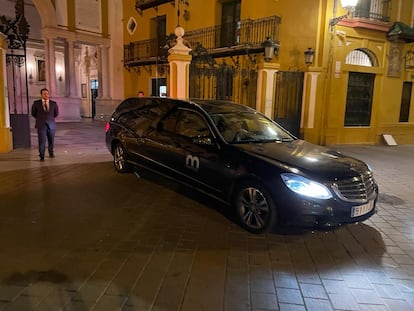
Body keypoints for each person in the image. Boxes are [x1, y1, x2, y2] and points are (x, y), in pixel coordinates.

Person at [31, 88, 59, 161]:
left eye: (47, 93)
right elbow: (33, 113)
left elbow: (56, 114)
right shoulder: (36, 103)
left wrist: (50, 119)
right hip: (41, 125)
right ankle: (42, 155)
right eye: (44, 94)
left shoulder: (53, 103)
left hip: (51, 125)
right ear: (41, 95)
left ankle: (51, 153)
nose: (46, 95)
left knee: (51, 141)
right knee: (42, 141)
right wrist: (41, 119)